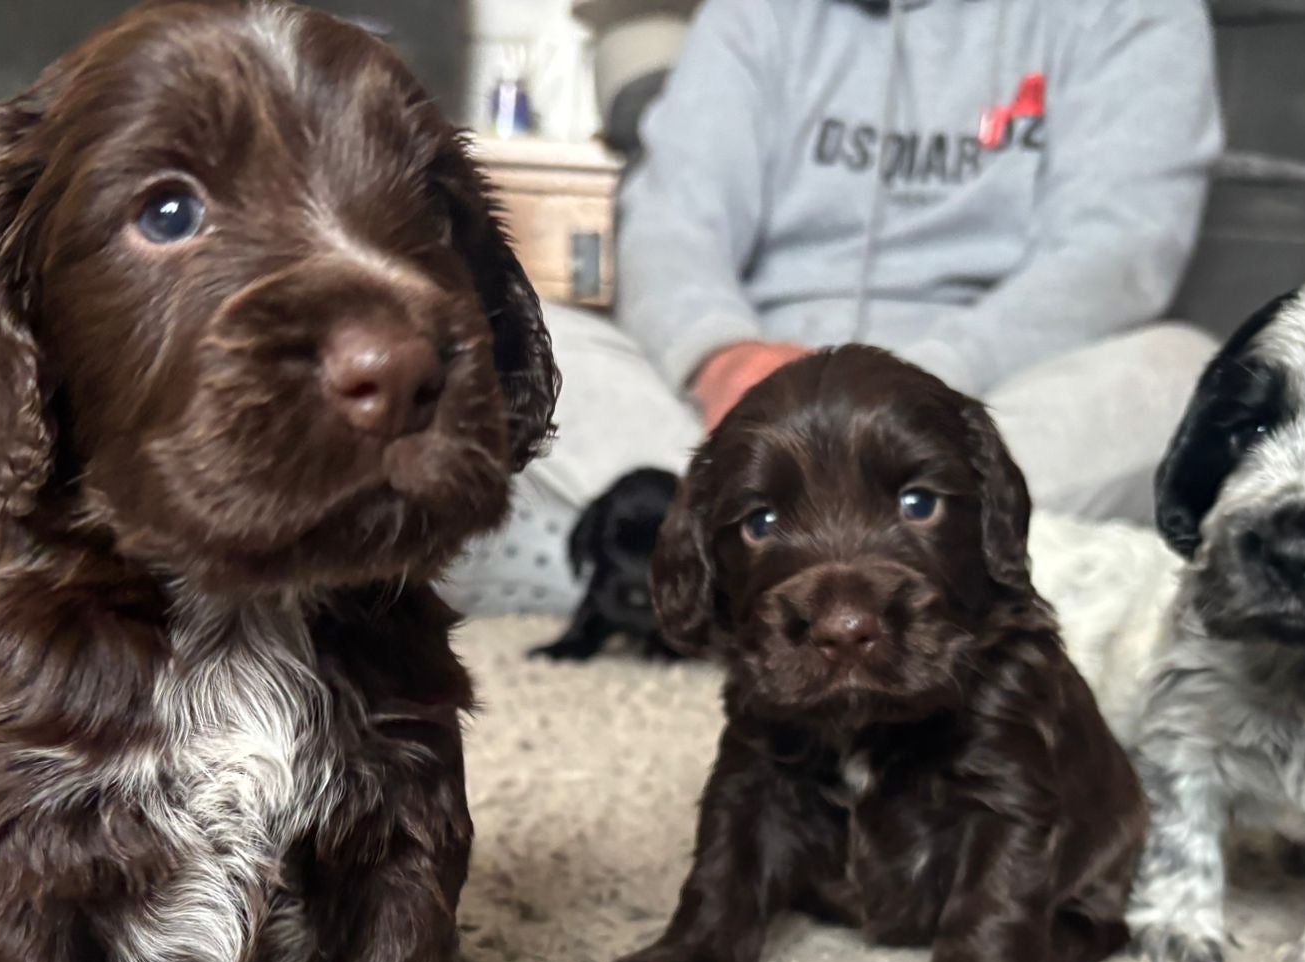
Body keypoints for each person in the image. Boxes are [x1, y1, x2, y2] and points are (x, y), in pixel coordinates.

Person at [442, 0, 1226, 614]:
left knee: (1183, 377)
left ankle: (676, 564)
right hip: (744, 399)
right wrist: (724, 359)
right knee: (489, 340)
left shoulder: (1136, 10)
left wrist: (899, 394)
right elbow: (675, 220)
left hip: (976, 396)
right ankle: (946, 575)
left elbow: (1119, 252)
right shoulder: (755, 12)